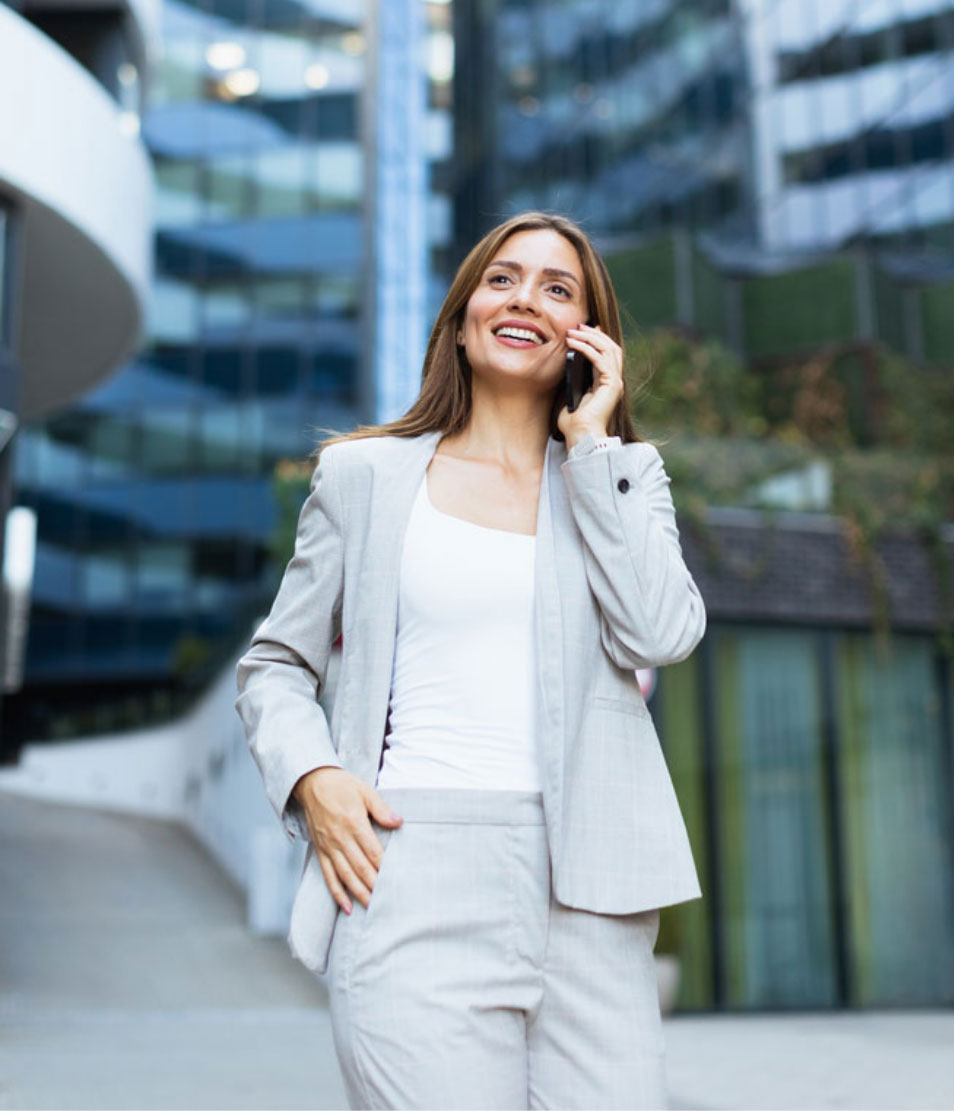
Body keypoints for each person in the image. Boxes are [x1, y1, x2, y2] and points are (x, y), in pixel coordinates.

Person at [235, 210, 707, 1110]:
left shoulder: (620, 477)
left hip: (593, 893)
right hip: (412, 867)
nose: (525, 297)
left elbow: (660, 633)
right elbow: (276, 664)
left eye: (557, 288)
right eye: (503, 278)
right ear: (461, 317)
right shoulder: (362, 478)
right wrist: (314, 775)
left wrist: (594, 447)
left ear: (586, 337)